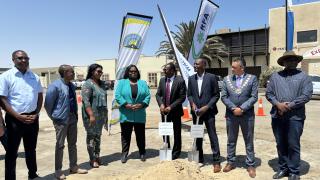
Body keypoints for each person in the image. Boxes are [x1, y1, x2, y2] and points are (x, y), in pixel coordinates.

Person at [266, 51, 313, 180]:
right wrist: (277, 104)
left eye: (293, 60)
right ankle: (283, 168)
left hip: (295, 117)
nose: (291, 62)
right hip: (277, 116)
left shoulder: (304, 77)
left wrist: (289, 105)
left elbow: (306, 95)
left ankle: (294, 171)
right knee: (280, 144)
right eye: (288, 60)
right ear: (283, 62)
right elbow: (269, 94)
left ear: (297, 62)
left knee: (293, 144)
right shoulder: (275, 77)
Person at [0, 50, 42, 180]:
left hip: (32, 119)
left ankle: (32, 174)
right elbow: (2, 99)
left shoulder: (35, 77)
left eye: (26, 58)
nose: (24, 60)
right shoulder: (6, 76)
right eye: (20, 58)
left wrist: (36, 113)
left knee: (31, 149)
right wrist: (17, 116)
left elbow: (40, 96)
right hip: (14, 120)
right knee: (12, 152)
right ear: (13, 60)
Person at [44, 65, 88, 180]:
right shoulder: (54, 86)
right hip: (61, 120)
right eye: (71, 72)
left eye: (73, 72)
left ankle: (73, 166)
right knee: (60, 145)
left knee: (73, 144)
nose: (73, 74)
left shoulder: (72, 85)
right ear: (63, 73)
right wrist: (54, 117)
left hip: (73, 118)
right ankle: (58, 170)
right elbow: (48, 104)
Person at [221, 58, 258, 178]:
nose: (231, 69)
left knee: (249, 140)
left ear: (242, 68)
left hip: (247, 115)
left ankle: (251, 164)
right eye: (231, 67)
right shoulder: (226, 79)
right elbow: (224, 96)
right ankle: (230, 162)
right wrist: (233, 108)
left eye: (234, 67)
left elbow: (254, 97)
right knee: (231, 140)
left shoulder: (252, 78)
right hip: (231, 115)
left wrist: (242, 108)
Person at [187, 57, 221, 172]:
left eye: (197, 64)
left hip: (209, 112)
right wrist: (192, 104)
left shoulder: (211, 78)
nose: (195, 66)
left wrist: (207, 107)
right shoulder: (191, 79)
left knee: (212, 136)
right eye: (194, 64)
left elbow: (216, 95)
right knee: (197, 136)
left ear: (204, 65)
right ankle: (199, 158)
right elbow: (189, 94)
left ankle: (216, 161)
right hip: (196, 114)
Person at [115, 64, 151, 163]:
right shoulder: (122, 82)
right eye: (131, 71)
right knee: (126, 136)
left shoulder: (142, 83)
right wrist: (126, 104)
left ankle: (142, 153)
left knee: (140, 135)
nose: (133, 73)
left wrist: (142, 104)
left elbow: (148, 95)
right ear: (128, 72)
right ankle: (124, 154)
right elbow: (117, 95)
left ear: (137, 72)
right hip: (126, 114)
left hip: (139, 114)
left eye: (135, 71)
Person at [155, 62, 186, 160]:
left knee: (177, 132)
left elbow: (182, 97)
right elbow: (158, 94)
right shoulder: (162, 80)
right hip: (164, 112)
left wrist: (171, 107)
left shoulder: (180, 80)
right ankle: (166, 148)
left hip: (175, 111)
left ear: (172, 71)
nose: (164, 71)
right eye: (164, 69)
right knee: (165, 131)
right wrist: (161, 104)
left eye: (166, 69)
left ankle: (176, 152)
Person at [81, 63, 108, 168]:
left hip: (101, 115)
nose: (100, 73)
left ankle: (97, 156)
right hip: (91, 116)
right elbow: (86, 101)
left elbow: (104, 99)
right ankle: (92, 159)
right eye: (98, 71)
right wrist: (91, 115)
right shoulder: (87, 84)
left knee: (98, 137)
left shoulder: (102, 84)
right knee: (91, 137)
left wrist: (105, 116)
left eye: (101, 71)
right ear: (92, 72)